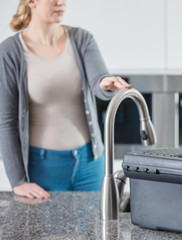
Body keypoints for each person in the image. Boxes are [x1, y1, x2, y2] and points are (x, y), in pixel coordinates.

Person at [0, 0, 132, 200]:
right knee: (47, 232)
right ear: (31, 2)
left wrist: (107, 83)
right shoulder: (10, 51)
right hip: (42, 167)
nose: (60, 2)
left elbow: (99, 81)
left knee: (95, 230)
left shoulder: (82, 39)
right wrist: (18, 180)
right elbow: (6, 121)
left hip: (91, 162)